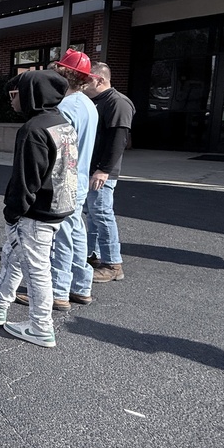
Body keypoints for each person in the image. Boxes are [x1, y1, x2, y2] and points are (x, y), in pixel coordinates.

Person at [0, 69, 78, 348]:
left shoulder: (32, 129)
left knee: (36, 269)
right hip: (59, 205)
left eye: (15, 95)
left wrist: (12, 212)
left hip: (36, 212)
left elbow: (27, 179)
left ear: (30, 93)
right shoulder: (61, 122)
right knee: (13, 255)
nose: (12, 101)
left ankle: (41, 327)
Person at [14, 50, 98, 311]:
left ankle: (59, 290)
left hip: (63, 182)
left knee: (60, 238)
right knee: (76, 233)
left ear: (63, 74)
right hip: (80, 179)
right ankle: (81, 286)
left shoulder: (65, 107)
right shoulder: (88, 104)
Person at [83, 62, 135, 283]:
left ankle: (113, 263)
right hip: (92, 169)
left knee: (102, 214)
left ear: (100, 80)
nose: (83, 84)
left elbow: (118, 140)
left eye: (87, 80)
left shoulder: (117, 103)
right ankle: (92, 254)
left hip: (102, 172)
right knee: (93, 213)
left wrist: (104, 170)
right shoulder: (96, 102)